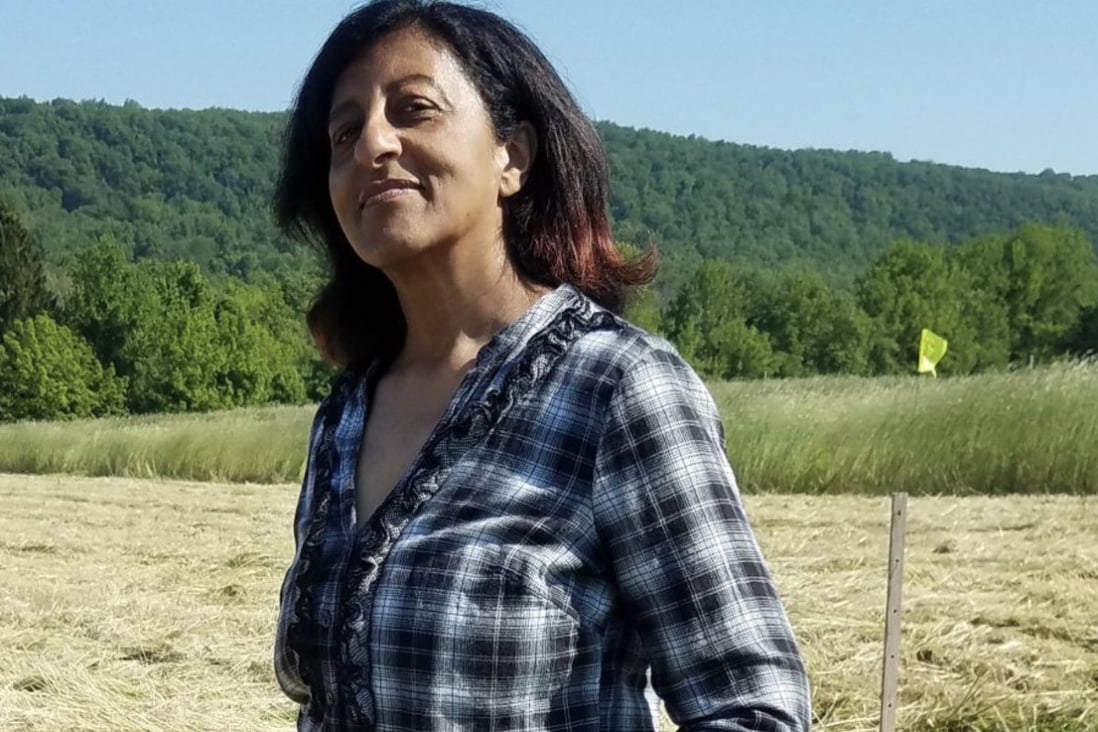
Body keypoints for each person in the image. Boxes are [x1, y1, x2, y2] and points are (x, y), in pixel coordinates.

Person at [272, 1, 811, 729]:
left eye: (413, 109)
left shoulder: (616, 388)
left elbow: (753, 708)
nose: (372, 143)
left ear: (512, 156)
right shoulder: (344, 418)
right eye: (343, 133)